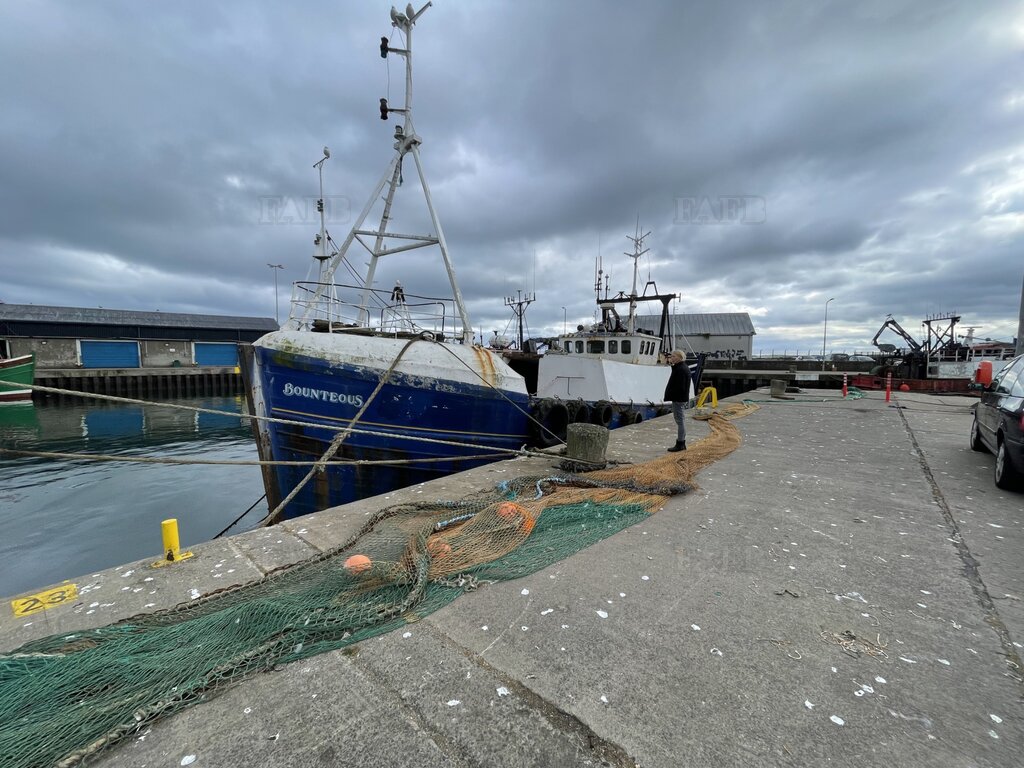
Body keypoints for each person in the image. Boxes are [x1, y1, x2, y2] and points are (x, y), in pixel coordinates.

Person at [664, 349, 689, 452]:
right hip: (680, 398)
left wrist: (673, 396)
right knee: (680, 420)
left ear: (680, 358)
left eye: (674, 356)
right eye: (672, 356)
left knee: (680, 421)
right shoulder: (681, 368)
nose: (672, 358)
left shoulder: (681, 369)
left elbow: (680, 387)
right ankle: (681, 442)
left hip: (678, 399)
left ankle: (680, 443)